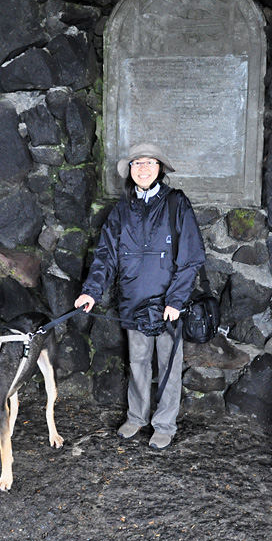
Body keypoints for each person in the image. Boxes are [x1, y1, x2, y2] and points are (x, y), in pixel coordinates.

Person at [75, 142, 206, 450]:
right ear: (130, 171)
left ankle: (164, 423)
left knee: (169, 367)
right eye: (136, 164)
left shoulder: (176, 203)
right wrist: (91, 292)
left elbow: (191, 257)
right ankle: (136, 417)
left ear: (159, 168)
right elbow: (105, 255)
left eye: (149, 163)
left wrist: (176, 300)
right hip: (132, 302)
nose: (143, 169)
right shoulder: (121, 210)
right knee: (138, 363)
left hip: (167, 306)